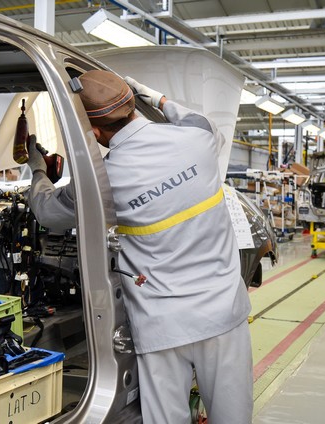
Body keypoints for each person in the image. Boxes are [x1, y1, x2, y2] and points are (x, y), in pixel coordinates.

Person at [26, 70, 253, 424]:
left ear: (94, 133)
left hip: (163, 326)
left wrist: (37, 169)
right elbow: (190, 117)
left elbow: (46, 211)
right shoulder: (198, 138)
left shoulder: (101, 180)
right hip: (223, 313)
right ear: (134, 103)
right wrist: (153, 96)